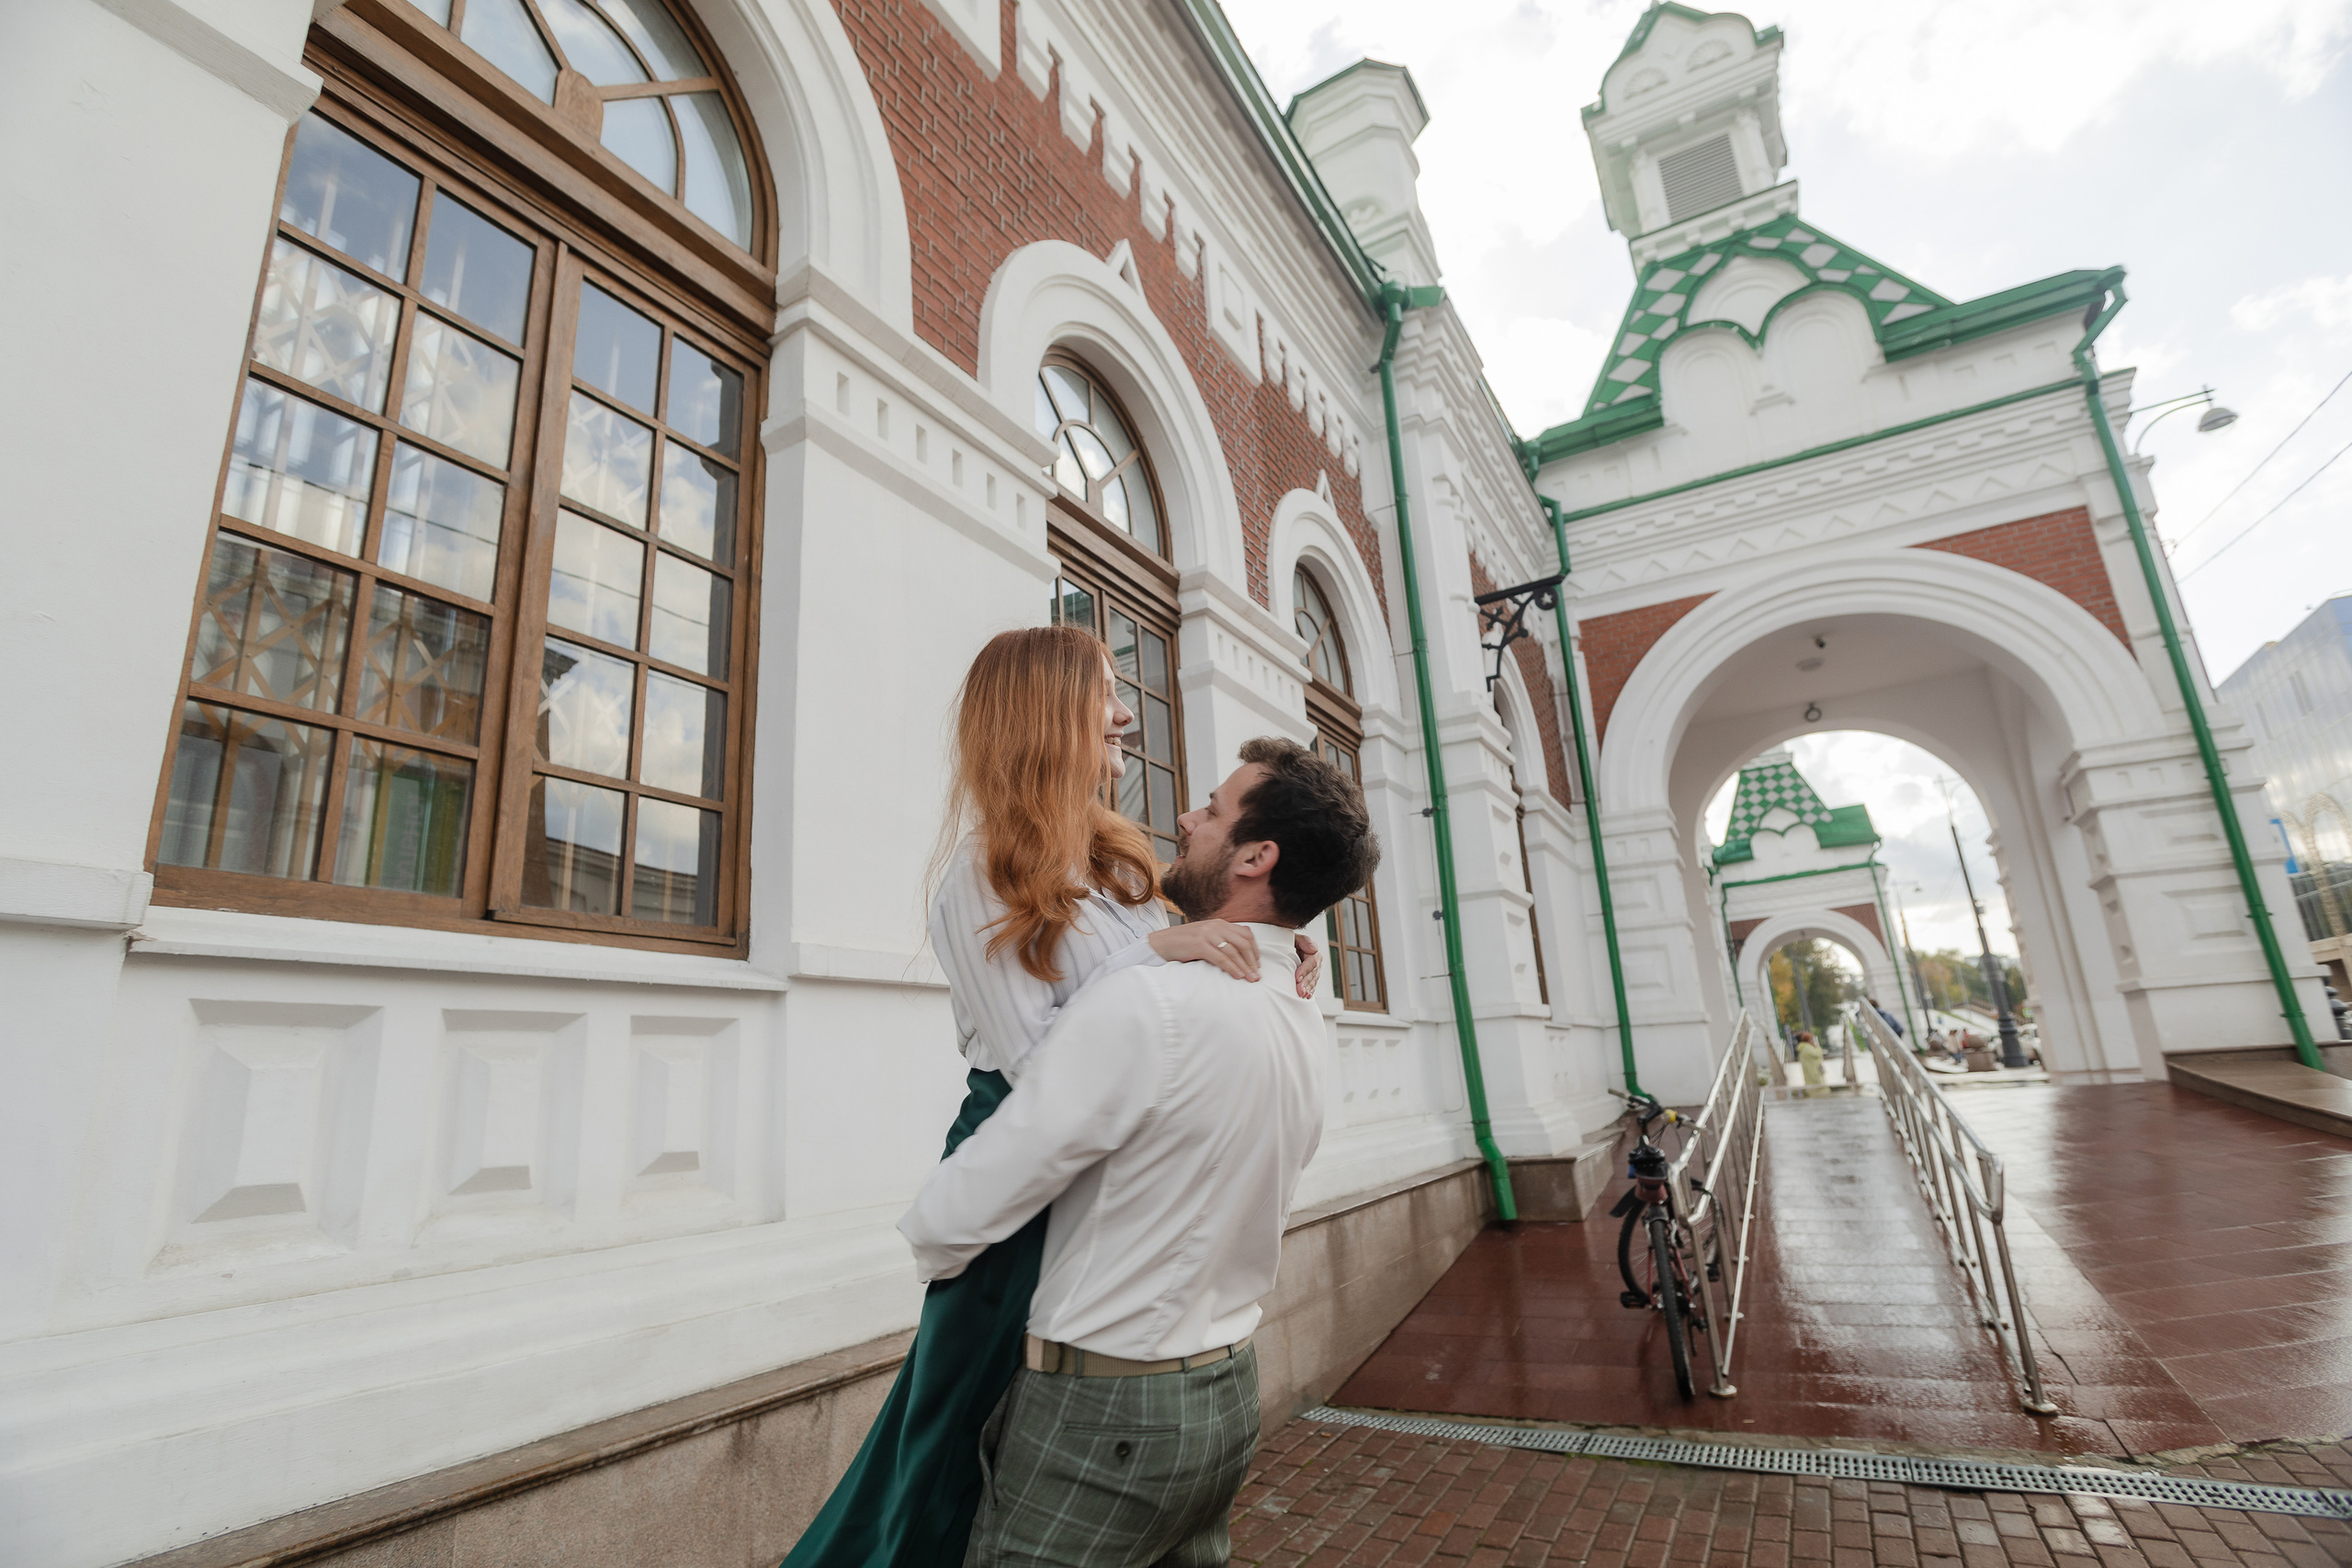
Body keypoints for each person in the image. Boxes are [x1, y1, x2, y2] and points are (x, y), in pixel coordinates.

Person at [783, 628, 1321, 1568]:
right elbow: (1045, 1067)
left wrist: (1281, 942)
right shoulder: (980, 876)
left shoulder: (1118, 858)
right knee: (944, 1445)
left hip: (1106, 1182)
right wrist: (1159, 949)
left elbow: (1207, 948)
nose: (1124, 714)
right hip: (1014, 1188)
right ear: (1042, 717)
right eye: (1103, 695)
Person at [899, 738, 1379, 1565]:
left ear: (1257, 857)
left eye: (1215, 810)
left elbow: (962, 1209)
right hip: (1226, 1397)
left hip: (1105, 1417)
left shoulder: (1149, 1003)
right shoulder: (1301, 1008)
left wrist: (935, 1247)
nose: (1186, 818)